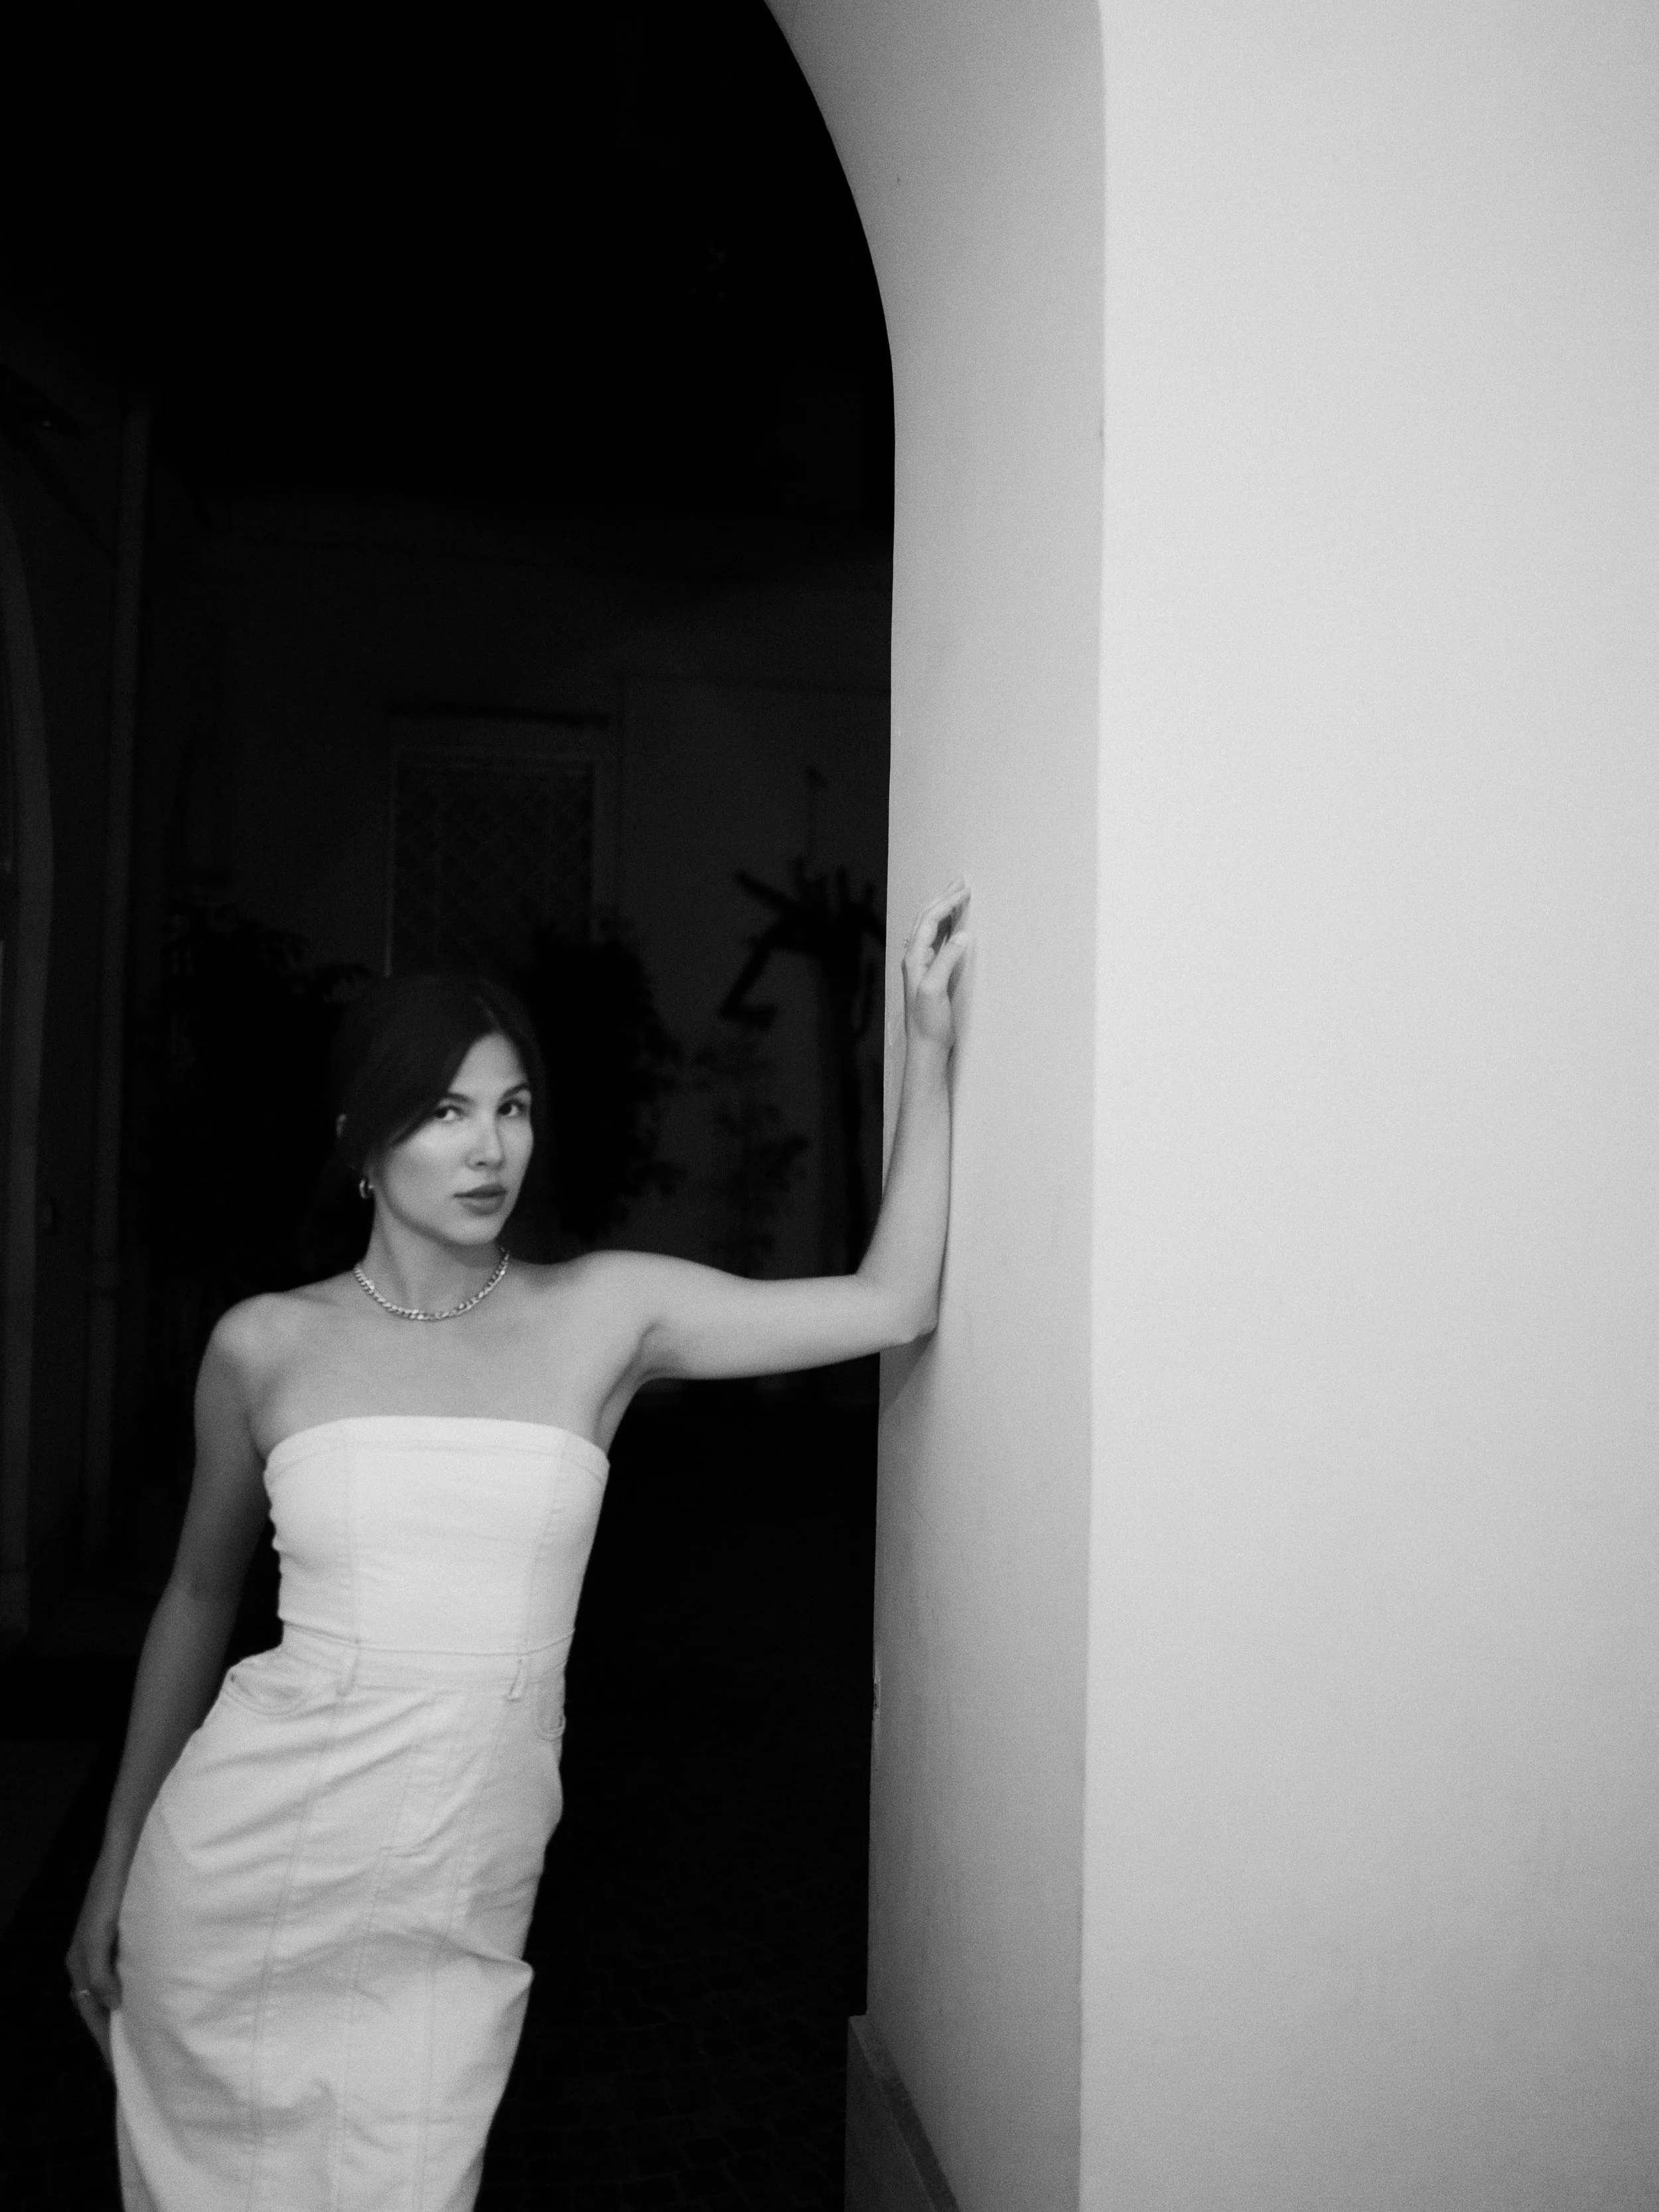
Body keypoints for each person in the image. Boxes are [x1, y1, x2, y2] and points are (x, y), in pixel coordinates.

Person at [65, 877, 970, 2212]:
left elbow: (890, 1302)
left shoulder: (602, 1315)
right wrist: (116, 1855)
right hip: (245, 1873)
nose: (488, 1148)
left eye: (511, 1107)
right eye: (442, 1112)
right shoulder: (263, 1345)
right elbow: (200, 1596)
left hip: (455, 1890)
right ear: (362, 1144)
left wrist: (929, 1050)